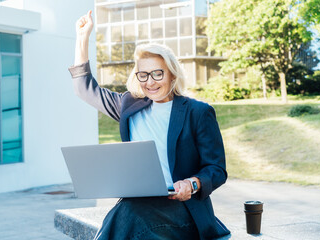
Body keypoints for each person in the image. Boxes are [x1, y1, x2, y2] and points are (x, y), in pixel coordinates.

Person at [68, 10, 230, 240]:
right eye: (143, 75)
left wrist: (191, 184)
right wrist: (82, 38)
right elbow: (84, 88)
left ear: (172, 75)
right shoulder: (128, 105)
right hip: (140, 205)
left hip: (183, 210)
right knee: (128, 212)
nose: (150, 82)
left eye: (157, 74)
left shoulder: (198, 112)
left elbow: (217, 169)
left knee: (127, 216)